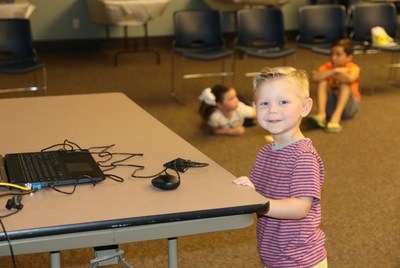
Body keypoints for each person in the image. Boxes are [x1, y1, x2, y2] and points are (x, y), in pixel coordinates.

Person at [233, 67, 327, 268]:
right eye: (264, 103)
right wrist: (248, 188)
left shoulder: (303, 156)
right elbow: (258, 194)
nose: (272, 110)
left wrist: (262, 204)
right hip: (275, 254)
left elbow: (301, 207)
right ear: (254, 108)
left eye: (283, 102)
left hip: (299, 260)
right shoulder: (266, 152)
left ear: (305, 107)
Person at [308, 38, 361, 133]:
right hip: (330, 106)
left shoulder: (353, 67)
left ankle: (336, 117)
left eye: (338, 55)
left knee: (345, 84)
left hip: (349, 108)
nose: (333, 57)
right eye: (332, 54)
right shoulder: (328, 67)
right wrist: (335, 71)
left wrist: (335, 74)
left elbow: (350, 78)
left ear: (349, 57)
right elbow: (314, 77)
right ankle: (321, 114)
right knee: (322, 81)